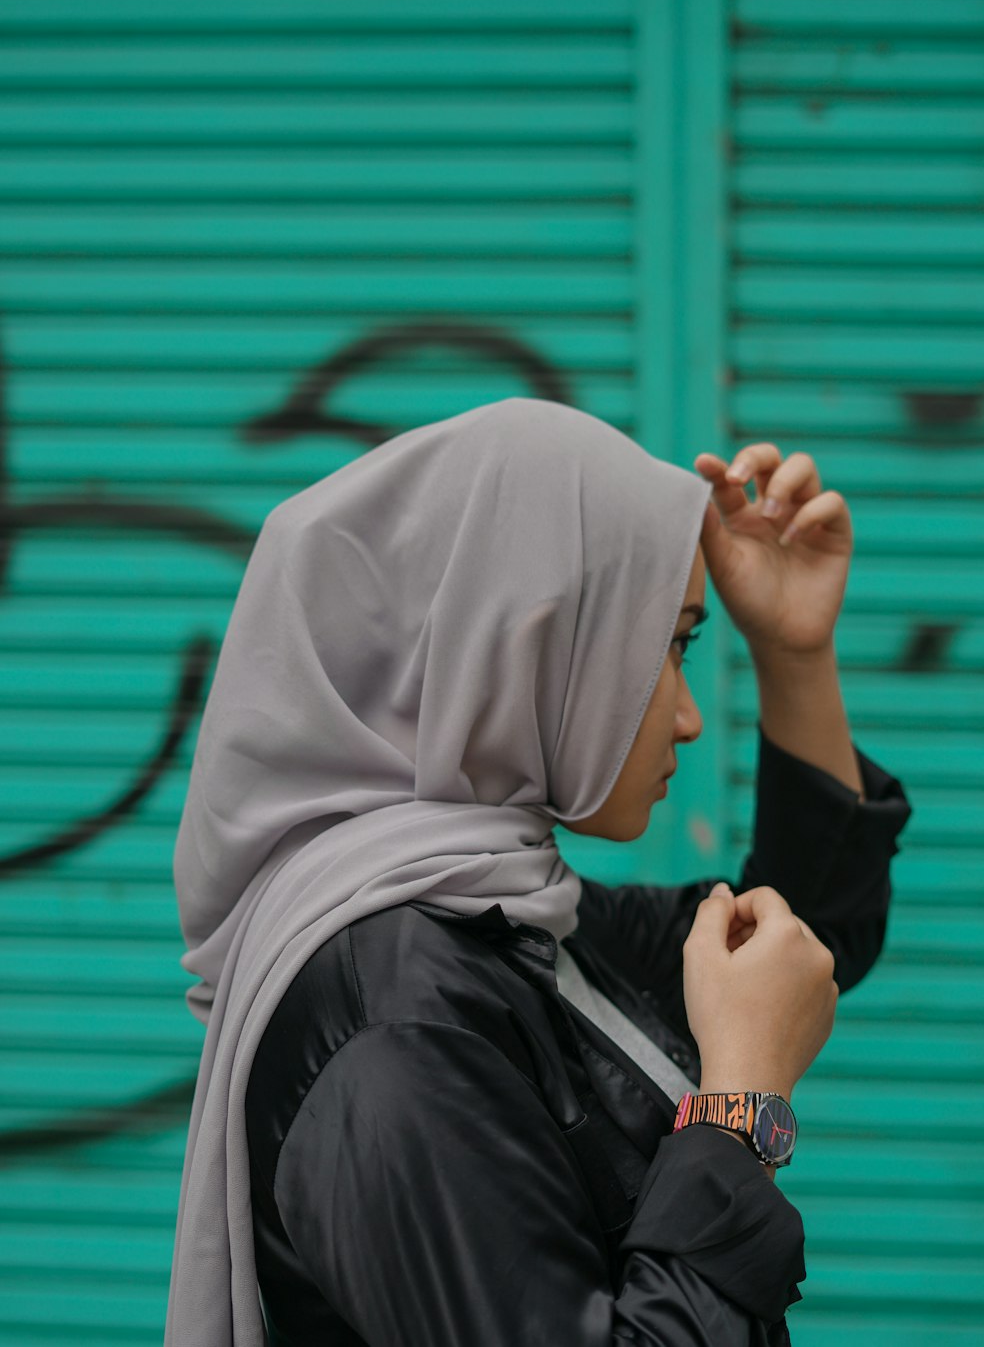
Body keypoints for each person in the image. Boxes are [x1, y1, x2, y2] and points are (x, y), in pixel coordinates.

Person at [164, 397, 912, 1347]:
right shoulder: (395, 1031)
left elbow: (798, 949)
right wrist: (742, 1112)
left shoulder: (498, 914)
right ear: (527, 644)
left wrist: (794, 655)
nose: (688, 717)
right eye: (673, 646)